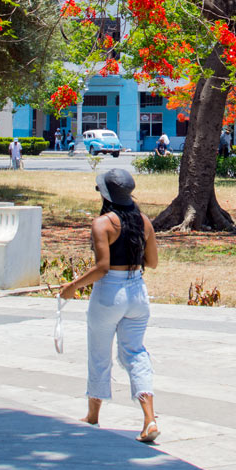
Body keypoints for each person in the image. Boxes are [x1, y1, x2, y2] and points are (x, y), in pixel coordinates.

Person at [59, 169, 160, 443]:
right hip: (138, 291)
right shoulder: (144, 222)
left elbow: (102, 267)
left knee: (99, 354)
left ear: (105, 195)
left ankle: (93, 415)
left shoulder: (102, 224)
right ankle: (149, 418)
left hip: (110, 293)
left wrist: (72, 286)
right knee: (135, 353)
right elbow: (152, 263)